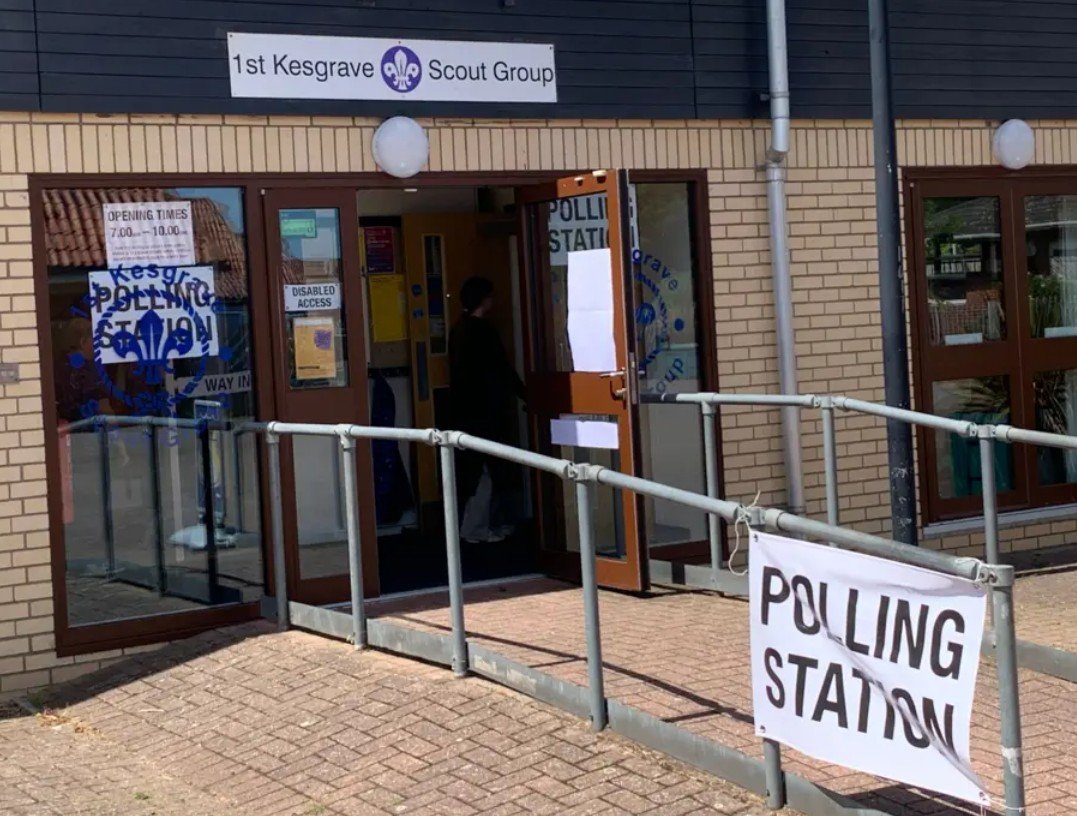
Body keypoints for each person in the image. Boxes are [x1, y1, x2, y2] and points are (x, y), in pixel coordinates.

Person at [448, 276, 526, 543]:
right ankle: (477, 528)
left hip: (465, 411)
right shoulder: (484, 331)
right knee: (489, 471)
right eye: (490, 296)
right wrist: (526, 395)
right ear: (483, 300)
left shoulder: (457, 330)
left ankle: (476, 526)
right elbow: (503, 369)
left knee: (476, 471)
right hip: (487, 412)